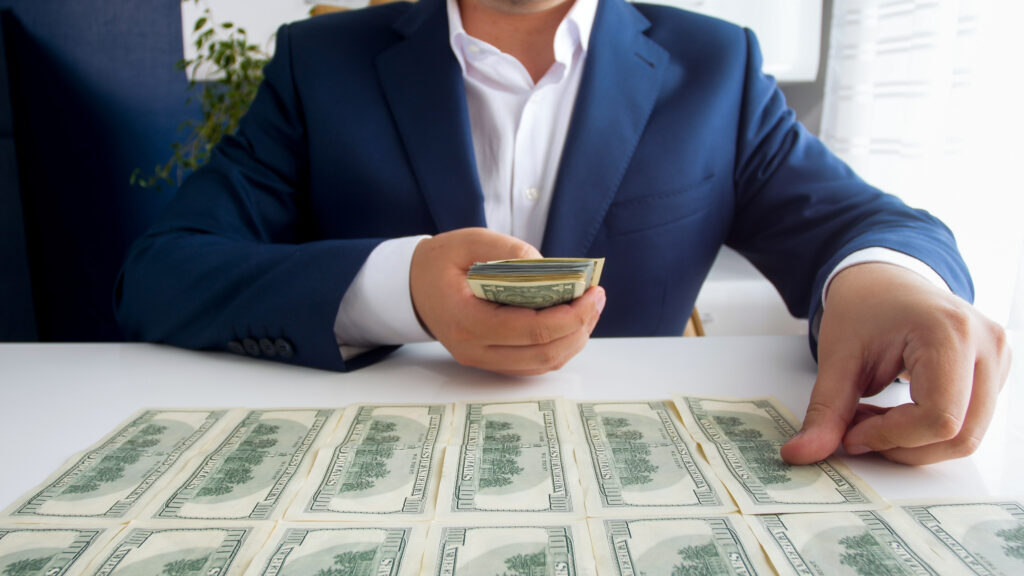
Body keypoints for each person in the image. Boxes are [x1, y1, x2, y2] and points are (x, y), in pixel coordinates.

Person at [115, 0, 1010, 467]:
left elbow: (868, 223)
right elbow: (161, 272)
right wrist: (403, 288)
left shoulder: (717, 66)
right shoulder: (320, 65)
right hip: (366, 476)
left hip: (640, 478)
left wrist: (888, 282)